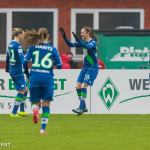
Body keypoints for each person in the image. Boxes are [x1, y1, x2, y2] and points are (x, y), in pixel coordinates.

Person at [23, 28, 62, 134]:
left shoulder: (32, 48)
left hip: (34, 78)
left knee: (34, 102)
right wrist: (51, 64)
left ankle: (35, 110)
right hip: (47, 79)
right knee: (46, 104)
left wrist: (27, 75)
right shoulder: (53, 49)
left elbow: (25, 62)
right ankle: (42, 129)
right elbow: (60, 66)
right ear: (47, 36)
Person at [59, 26, 99, 115]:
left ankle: (81, 108)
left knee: (83, 86)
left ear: (87, 33)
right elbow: (70, 44)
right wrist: (64, 36)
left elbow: (88, 47)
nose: (81, 34)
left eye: (82, 33)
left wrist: (79, 41)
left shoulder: (93, 42)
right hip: (85, 68)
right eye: (80, 33)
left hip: (92, 68)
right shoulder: (83, 42)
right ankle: (83, 107)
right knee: (78, 86)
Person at [6, 28, 29, 117]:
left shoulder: (10, 44)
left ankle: (22, 111)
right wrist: (25, 64)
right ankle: (14, 112)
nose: (23, 36)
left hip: (13, 69)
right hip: (17, 70)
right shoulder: (18, 45)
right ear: (19, 35)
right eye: (23, 34)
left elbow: (8, 56)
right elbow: (21, 57)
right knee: (22, 90)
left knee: (26, 88)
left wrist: (8, 67)